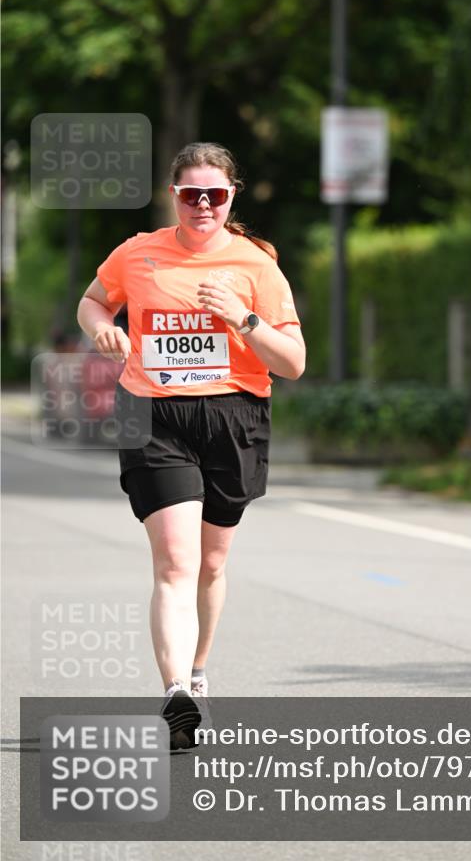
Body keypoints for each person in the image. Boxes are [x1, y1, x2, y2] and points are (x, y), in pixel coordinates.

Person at [77, 142, 306, 743]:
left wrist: (243, 319)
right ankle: (176, 693)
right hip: (155, 416)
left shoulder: (257, 265)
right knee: (175, 561)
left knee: (210, 563)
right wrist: (103, 329)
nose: (202, 204)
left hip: (234, 418)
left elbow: (294, 363)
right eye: (190, 194)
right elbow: (94, 301)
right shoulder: (138, 253)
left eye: (215, 195)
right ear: (172, 195)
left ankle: (198, 671)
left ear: (232, 198)